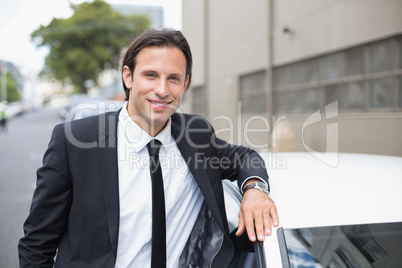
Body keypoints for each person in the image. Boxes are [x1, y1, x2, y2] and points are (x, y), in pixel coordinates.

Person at [18, 28, 279, 268]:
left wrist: (255, 190)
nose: (162, 90)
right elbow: (37, 243)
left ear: (185, 84)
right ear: (128, 76)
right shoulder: (75, 140)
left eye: (174, 78)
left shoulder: (196, 135)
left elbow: (245, 157)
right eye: (151, 75)